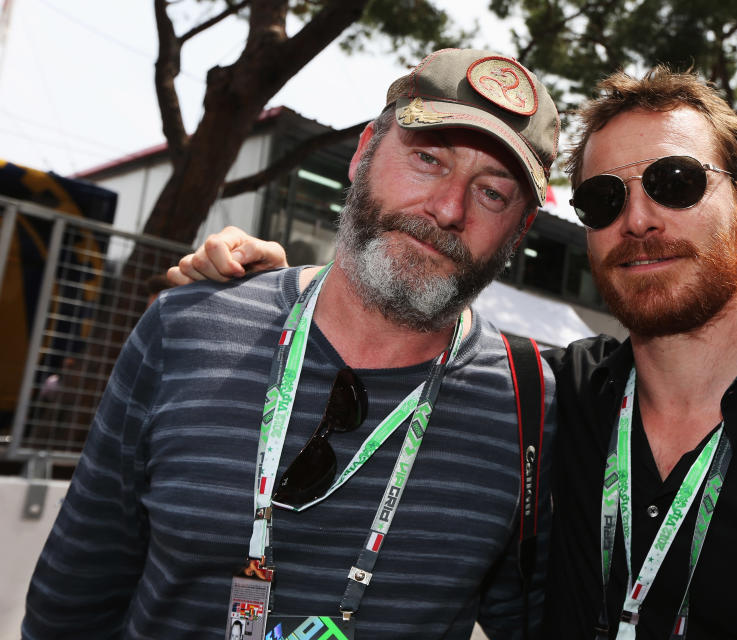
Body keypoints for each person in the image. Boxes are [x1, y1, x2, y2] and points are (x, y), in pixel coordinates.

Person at [188, 67, 737, 640]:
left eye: (677, 181)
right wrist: (275, 288)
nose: (640, 219)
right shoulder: (549, 396)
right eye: (602, 199)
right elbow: (402, 336)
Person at [22, 48, 560, 640]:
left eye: (492, 193)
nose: (447, 208)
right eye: (428, 158)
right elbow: (70, 603)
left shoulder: (529, 407)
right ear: (362, 155)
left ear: (520, 231)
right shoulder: (186, 326)